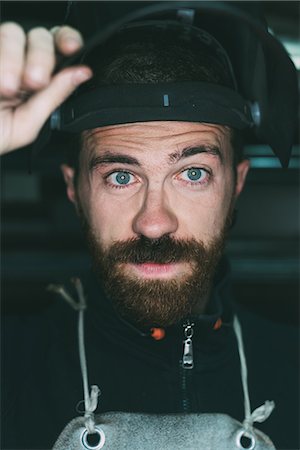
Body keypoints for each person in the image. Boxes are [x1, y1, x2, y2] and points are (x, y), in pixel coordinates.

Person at [1, 3, 298, 449]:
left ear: (235, 184)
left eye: (192, 173)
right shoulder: (11, 367)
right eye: (121, 177)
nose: (154, 223)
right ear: (74, 189)